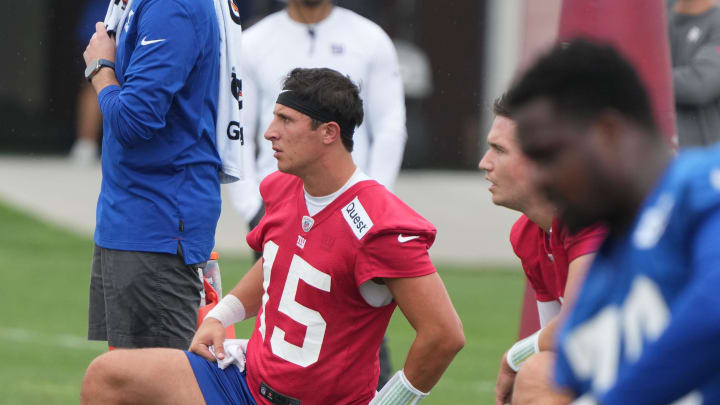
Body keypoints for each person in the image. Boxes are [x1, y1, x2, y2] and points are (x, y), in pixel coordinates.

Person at [80, 67, 464, 405]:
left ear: (329, 132)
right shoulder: (283, 188)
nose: (269, 133)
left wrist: (392, 402)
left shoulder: (378, 223)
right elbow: (277, 262)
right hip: (246, 385)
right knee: (109, 376)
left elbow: (444, 334)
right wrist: (220, 315)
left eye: (285, 120)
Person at [506, 38, 720, 404]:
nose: (538, 178)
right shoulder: (602, 281)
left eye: (547, 156)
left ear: (607, 132)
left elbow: (712, 310)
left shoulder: (702, 184)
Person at [229, 0, 408, 386]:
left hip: (353, 209)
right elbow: (236, 129)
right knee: (279, 321)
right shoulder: (253, 41)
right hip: (278, 206)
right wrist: (251, 204)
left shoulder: (370, 38)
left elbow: (390, 126)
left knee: (357, 326)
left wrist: (371, 204)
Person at [82, 0, 223, 349]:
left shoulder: (173, 6)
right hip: (133, 220)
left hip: (157, 226)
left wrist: (101, 69)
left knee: (158, 387)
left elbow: (134, 122)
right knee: (125, 384)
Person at [478, 94, 606, 405]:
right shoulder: (526, 234)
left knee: (537, 374)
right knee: (538, 371)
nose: (484, 162)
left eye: (499, 150)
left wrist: (513, 358)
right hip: (623, 361)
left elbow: (575, 324)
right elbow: (554, 340)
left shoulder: (591, 213)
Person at [669, 0, 720, 146]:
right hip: (658, 152)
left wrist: (640, 78)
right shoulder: (658, 15)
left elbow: (700, 83)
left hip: (703, 154)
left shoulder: (716, 23)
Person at [69, 0, 108, 166]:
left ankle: (87, 145)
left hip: (134, 16)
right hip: (103, 17)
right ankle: (86, 144)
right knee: (94, 81)